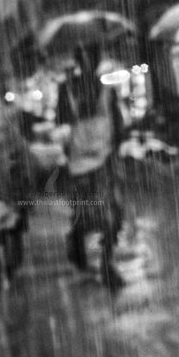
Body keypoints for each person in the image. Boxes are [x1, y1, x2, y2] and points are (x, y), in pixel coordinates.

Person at [55, 43, 126, 290]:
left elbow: (117, 123)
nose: (88, 63)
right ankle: (76, 240)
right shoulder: (67, 89)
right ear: (77, 60)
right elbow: (60, 124)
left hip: (105, 159)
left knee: (112, 213)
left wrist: (117, 151)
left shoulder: (107, 89)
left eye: (92, 57)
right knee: (85, 211)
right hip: (78, 163)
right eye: (83, 57)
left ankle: (107, 262)